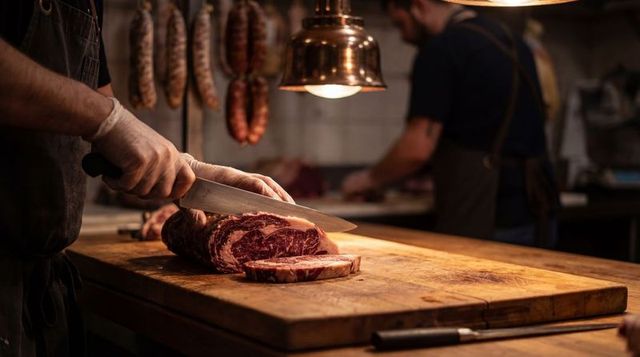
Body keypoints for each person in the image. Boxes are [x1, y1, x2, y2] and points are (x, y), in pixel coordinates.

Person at [0, 1, 293, 356]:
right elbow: (100, 114)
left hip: (41, 288)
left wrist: (192, 170)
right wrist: (109, 120)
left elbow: (91, 107)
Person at [342, 0, 558, 246]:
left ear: (419, 7)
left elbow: (417, 149)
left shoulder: (441, 48)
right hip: (538, 211)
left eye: (400, 24)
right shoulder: (516, 42)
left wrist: (369, 178)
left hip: (487, 219)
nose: (403, 36)